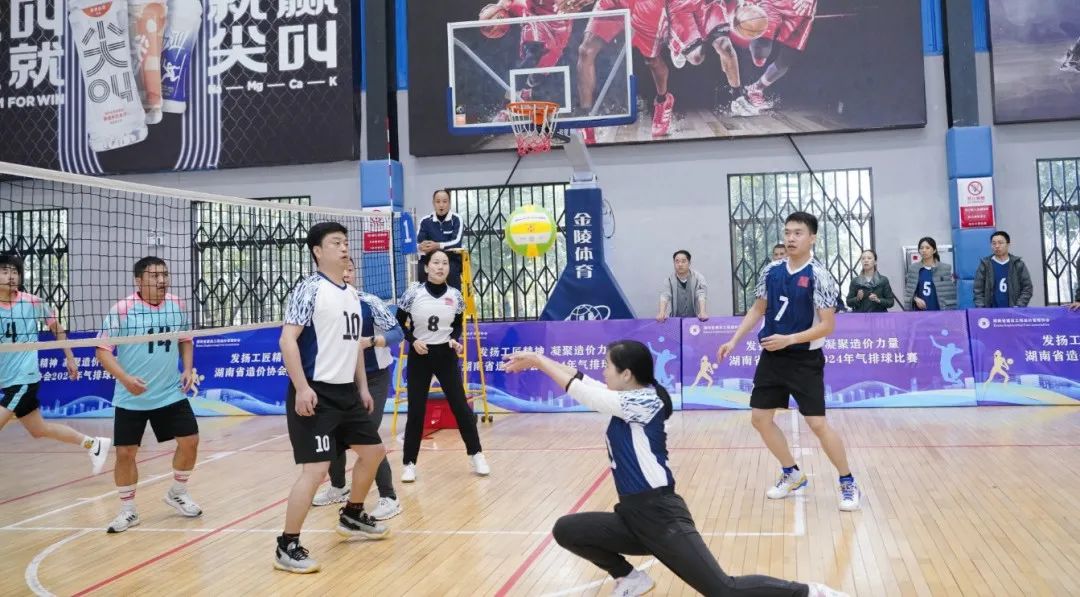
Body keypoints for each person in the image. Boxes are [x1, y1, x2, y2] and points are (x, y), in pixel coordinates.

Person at [502, 341, 845, 597]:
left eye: (607, 366)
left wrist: (538, 361)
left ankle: (809, 592)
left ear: (626, 374)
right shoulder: (625, 397)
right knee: (567, 529)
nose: (602, 372)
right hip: (632, 517)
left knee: (723, 590)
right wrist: (539, 360)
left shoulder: (643, 400)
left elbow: (584, 392)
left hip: (661, 515)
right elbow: (582, 380)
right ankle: (629, 578)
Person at [717, 212, 861, 511]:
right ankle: (792, 473)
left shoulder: (820, 275)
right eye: (787, 232)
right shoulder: (771, 271)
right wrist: (734, 340)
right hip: (772, 355)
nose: (791, 238)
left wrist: (790, 339)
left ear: (812, 238)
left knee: (817, 424)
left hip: (804, 358)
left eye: (798, 233)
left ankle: (847, 481)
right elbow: (758, 309)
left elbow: (827, 326)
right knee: (759, 419)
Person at [275, 222, 390, 574]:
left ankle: (352, 514)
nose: (343, 248)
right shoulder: (309, 289)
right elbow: (287, 341)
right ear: (317, 251)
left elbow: (352, 346)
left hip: (346, 393)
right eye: (335, 243)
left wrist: (362, 388)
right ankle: (286, 545)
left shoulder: (351, 294)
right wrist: (302, 387)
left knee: (374, 452)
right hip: (316, 392)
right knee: (316, 470)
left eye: (345, 242)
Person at [96, 256, 200, 533]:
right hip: (131, 396)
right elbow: (102, 351)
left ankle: (177, 492)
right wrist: (125, 379)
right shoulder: (122, 310)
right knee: (125, 453)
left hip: (169, 392)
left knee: (190, 441)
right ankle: (128, 511)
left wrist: (187, 368)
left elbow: (185, 340)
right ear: (138, 280)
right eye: (154, 276)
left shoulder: (177, 305)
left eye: (165, 274)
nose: (162, 280)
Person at [311, 258, 404, 522]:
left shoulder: (370, 302)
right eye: (341, 269)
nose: (345, 273)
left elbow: (397, 333)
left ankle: (389, 497)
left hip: (373, 379)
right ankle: (338, 487)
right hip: (338, 379)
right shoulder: (320, 302)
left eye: (350, 269)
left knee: (367, 437)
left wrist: (372, 341)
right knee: (333, 433)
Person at [0, 255, 110, 473]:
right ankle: (94, 444)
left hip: (24, 379)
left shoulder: (32, 302)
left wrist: (70, 357)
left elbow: (57, 329)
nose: (11, 276)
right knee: (39, 429)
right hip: (7, 378)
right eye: (4, 271)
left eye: (15, 272)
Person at [397, 249, 489, 483]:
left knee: (461, 406)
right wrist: (412, 340)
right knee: (416, 410)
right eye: (436, 262)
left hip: (445, 354)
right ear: (426, 267)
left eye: (445, 263)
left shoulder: (455, 295)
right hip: (420, 354)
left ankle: (476, 454)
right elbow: (399, 323)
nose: (440, 267)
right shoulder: (413, 292)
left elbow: (457, 324)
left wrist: (454, 339)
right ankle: (409, 463)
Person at [732, 0, 818, 116]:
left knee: (786, 60)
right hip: (773, 3)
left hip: (802, 9)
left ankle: (756, 89)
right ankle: (741, 88)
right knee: (761, 52)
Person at [417, 190, 464, 290]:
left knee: (452, 270)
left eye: (444, 201)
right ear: (433, 203)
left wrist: (438, 245)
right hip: (431, 258)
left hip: (451, 258)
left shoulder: (457, 219)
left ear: (449, 203)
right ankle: (424, 296)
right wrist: (420, 246)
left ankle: (455, 297)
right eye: (438, 201)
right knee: (421, 268)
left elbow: (457, 242)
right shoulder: (425, 221)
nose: (441, 205)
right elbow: (418, 243)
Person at [973, 230, 1033, 308]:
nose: (997, 246)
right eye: (994, 243)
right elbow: (978, 290)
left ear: (1008, 244)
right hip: (990, 311)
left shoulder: (1018, 264)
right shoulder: (985, 265)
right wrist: (982, 308)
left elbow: (1027, 288)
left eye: (1000, 243)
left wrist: (1019, 306)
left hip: (1013, 311)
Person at [904, 237, 956, 311]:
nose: (924, 250)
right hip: (920, 312)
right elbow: (909, 292)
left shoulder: (945, 269)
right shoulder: (913, 269)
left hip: (941, 311)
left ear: (934, 250)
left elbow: (951, 294)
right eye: (921, 248)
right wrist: (915, 299)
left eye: (927, 248)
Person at [657, 250, 708, 322]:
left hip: (694, 319)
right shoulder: (669, 279)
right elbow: (665, 296)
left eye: (683, 261)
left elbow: (701, 294)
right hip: (675, 319)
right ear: (674, 263)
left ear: (689, 263)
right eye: (677, 261)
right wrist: (661, 312)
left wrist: (702, 312)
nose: (680, 264)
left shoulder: (698, 278)